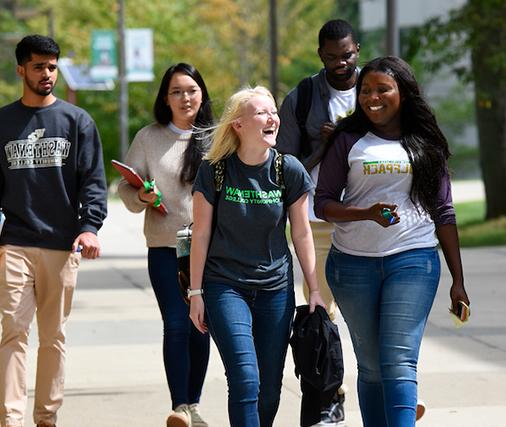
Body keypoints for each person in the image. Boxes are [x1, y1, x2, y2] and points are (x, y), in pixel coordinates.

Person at [314, 56, 470, 427]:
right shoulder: (347, 139)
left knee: (398, 361)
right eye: (365, 90)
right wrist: (364, 213)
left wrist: (458, 280)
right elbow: (323, 203)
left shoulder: (425, 142)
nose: (372, 98)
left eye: (383, 89)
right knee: (370, 368)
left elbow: (444, 212)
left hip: (413, 259)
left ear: (403, 92)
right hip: (353, 264)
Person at [188, 86, 326, 427]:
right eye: (262, 113)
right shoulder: (215, 170)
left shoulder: (288, 170)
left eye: (273, 112)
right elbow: (201, 234)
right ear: (238, 124)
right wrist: (195, 293)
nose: (272, 118)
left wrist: (314, 289)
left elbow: (302, 233)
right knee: (245, 379)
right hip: (225, 286)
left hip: (275, 290)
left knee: (269, 391)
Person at [0, 35, 107, 427]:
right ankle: (10, 419)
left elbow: (92, 181)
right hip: (14, 241)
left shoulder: (76, 121)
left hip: (62, 245)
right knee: (12, 330)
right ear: (21, 70)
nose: (47, 74)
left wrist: (90, 227)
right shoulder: (4, 122)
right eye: (38, 66)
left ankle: (46, 418)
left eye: (52, 67)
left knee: (53, 337)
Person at [117, 63, 213, 427]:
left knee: (199, 323)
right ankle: (180, 407)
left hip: (208, 250)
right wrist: (142, 195)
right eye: (176, 91)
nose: (185, 97)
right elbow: (126, 190)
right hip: (164, 247)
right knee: (175, 322)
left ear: (201, 93)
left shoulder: (217, 136)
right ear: (165, 98)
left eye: (191, 89)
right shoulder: (148, 137)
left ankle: (195, 404)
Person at [276, 18, 359, 425]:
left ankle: (391, 392)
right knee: (321, 312)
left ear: (357, 49)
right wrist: (325, 146)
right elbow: (284, 166)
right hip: (318, 219)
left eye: (346, 55)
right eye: (331, 58)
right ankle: (331, 397)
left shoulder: (379, 88)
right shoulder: (304, 96)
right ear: (320, 56)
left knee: (373, 314)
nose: (340, 64)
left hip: (373, 219)